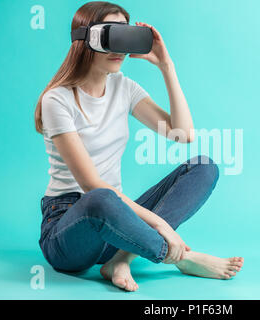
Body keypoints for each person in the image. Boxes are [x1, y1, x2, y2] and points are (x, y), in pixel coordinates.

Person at [34, 1, 243, 292]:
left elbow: (182, 134)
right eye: (112, 36)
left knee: (203, 167)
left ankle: (121, 259)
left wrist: (167, 67)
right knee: (102, 197)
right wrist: (162, 226)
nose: (120, 49)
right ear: (86, 40)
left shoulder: (124, 87)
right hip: (68, 229)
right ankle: (180, 257)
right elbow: (93, 186)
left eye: (126, 35)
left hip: (115, 221)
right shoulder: (57, 100)